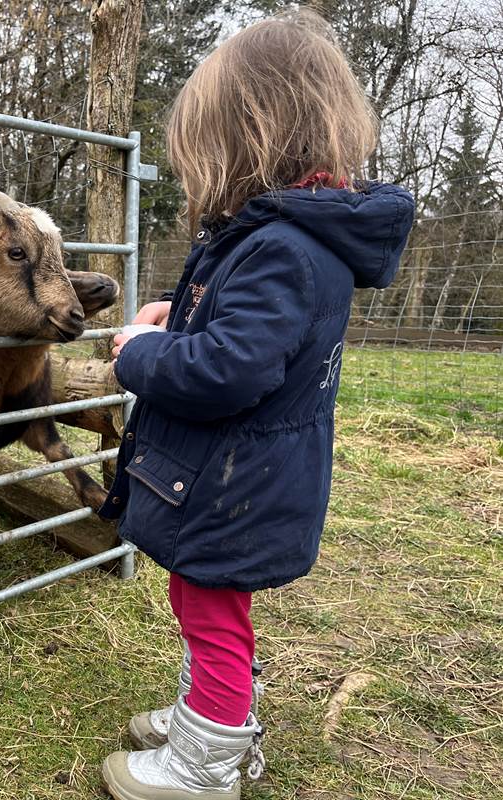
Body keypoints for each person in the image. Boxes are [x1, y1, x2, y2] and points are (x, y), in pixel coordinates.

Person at [98, 10, 414, 800]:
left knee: (208, 608)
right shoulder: (283, 238)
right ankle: (213, 714)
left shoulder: (280, 246)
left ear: (246, 137)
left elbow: (229, 371)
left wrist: (139, 357)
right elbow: (255, 328)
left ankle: (203, 767)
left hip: (234, 484)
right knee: (208, 605)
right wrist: (180, 313)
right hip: (244, 477)